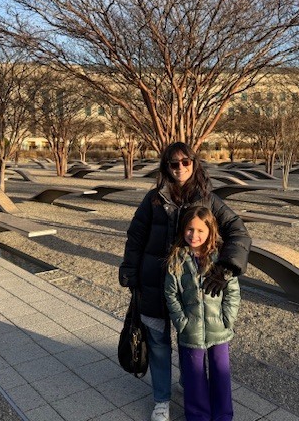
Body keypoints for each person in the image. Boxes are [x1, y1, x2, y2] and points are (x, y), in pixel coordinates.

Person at [119, 142, 251, 421]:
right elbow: (135, 237)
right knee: (157, 343)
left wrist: (226, 267)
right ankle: (161, 400)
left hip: (191, 289)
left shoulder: (208, 200)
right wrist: (130, 272)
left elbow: (238, 232)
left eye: (186, 161)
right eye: (173, 163)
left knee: (189, 339)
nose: (180, 168)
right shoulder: (153, 199)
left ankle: (187, 385)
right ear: (165, 166)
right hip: (154, 285)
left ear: (194, 163)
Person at [164, 206, 240, 421]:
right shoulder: (176, 259)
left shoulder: (220, 258)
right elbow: (171, 294)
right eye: (190, 229)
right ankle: (198, 416)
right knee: (194, 377)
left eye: (200, 230)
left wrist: (227, 319)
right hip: (190, 331)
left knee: (221, 375)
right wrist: (182, 323)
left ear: (210, 231)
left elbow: (233, 292)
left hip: (219, 329)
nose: (194, 235)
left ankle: (223, 416)